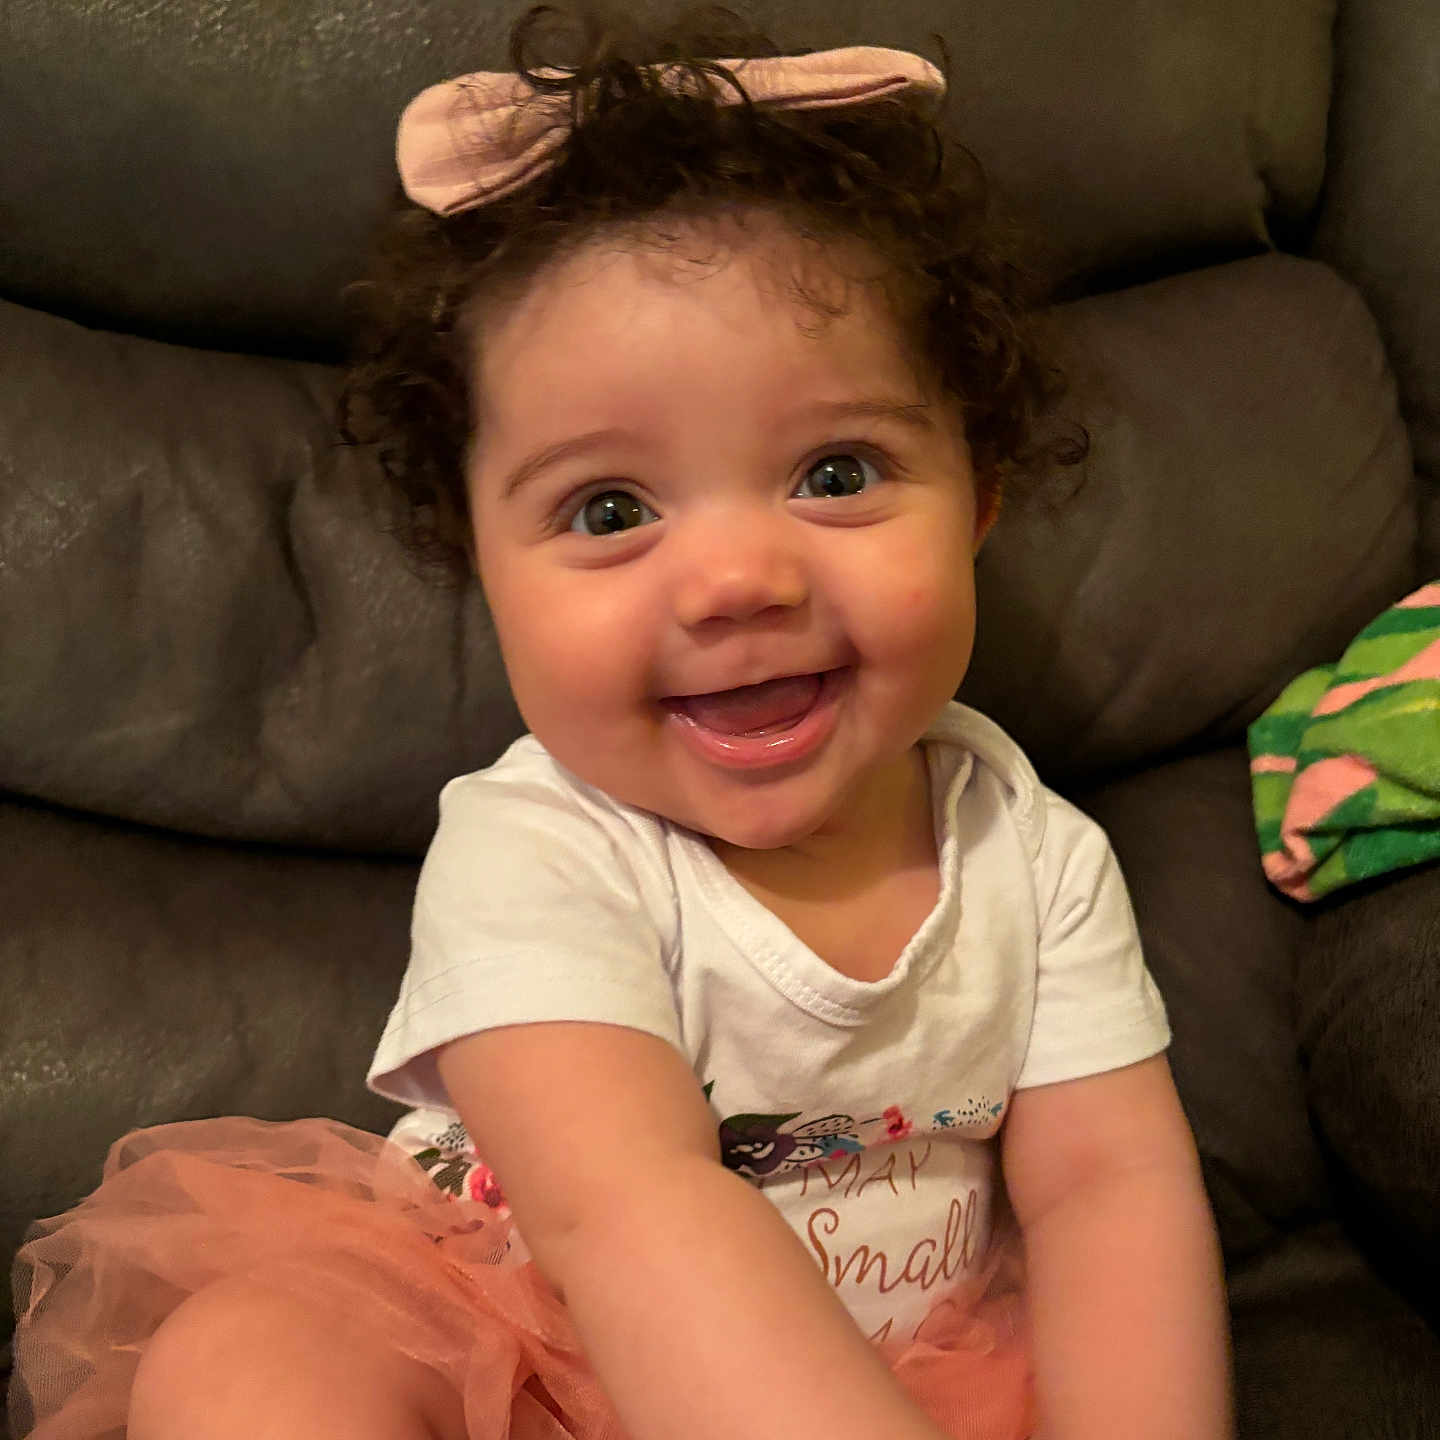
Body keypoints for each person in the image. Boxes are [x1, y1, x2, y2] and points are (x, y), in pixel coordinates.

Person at [10, 7, 1233, 1439]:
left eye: (838, 472)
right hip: (527, 1336)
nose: (736, 581)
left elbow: (1109, 1191)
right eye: (609, 511)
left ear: (984, 498)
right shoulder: (535, 850)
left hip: (901, 1374)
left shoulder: (1033, 850)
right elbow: (623, 1208)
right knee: (249, 1364)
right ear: (481, 565)